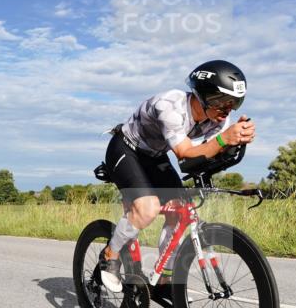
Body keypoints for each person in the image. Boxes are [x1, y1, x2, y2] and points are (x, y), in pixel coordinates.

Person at [100, 60, 255, 292]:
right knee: (147, 209)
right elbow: (185, 154)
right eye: (223, 103)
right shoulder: (170, 106)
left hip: (156, 155)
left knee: (180, 210)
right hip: (126, 148)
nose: (228, 111)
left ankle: (163, 278)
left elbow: (205, 156)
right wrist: (224, 140)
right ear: (204, 96)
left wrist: (235, 143)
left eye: (235, 104)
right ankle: (109, 255)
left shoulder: (219, 121)